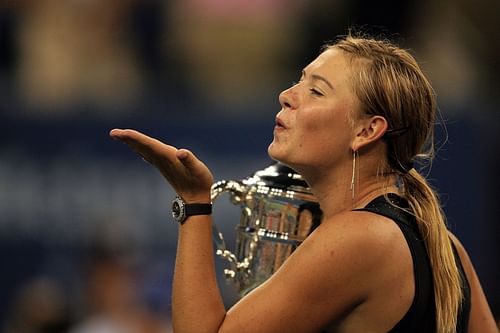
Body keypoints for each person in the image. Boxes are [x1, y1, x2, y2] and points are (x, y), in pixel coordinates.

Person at [109, 34, 498, 332]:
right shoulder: (445, 245)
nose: (287, 96)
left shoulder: (359, 238)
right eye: (299, 81)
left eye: (316, 90)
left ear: (366, 130)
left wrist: (193, 201)